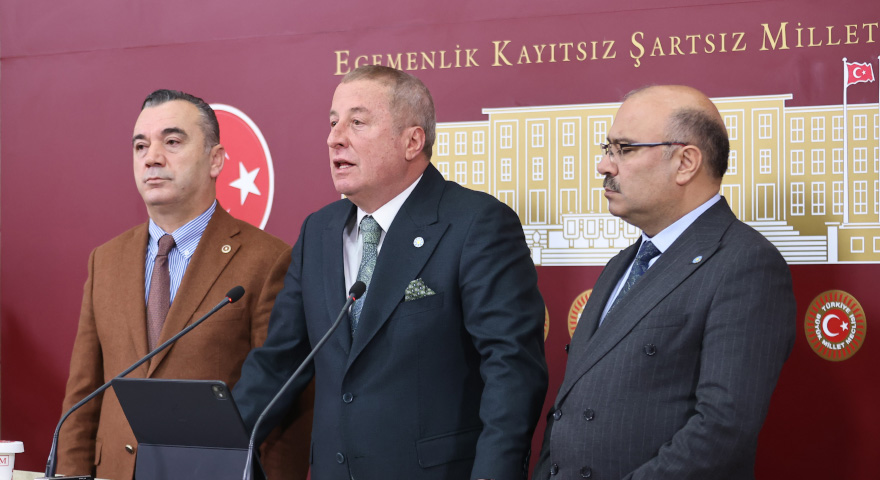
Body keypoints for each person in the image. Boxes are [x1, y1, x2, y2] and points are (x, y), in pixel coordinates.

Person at [232, 65, 548, 479]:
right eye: (332, 123)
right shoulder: (318, 231)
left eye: (357, 122)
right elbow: (280, 363)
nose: (334, 138)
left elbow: (512, 370)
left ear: (412, 141)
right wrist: (207, 449)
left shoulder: (475, 224)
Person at [533, 85, 796, 479]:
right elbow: (570, 409)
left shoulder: (745, 264)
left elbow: (721, 431)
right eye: (607, 149)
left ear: (685, 162)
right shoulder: (621, 264)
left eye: (624, 149)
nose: (604, 166)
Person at [58, 89, 312, 480]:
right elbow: (82, 397)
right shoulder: (105, 261)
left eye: (172, 142)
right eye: (141, 146)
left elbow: (283, 405)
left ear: (216, 160)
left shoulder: (267, 260)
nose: (152, 157)